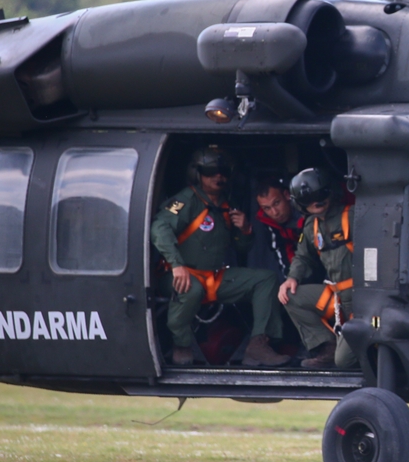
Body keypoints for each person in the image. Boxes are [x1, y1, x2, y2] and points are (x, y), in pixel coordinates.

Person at [151, 148, 289, 367]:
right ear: (198, 174)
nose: (219, 176)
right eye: (211, 171)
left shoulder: (227, 205)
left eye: (223, 171)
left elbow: (241, 248)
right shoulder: (186, 200)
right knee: (191, 288)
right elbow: (159, 228)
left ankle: (259, 346)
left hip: (213, 278)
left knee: (266, 279)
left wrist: (245, 230)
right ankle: (181, 344)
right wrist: (177, 265)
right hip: (178, 274)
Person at [278, 168, 357, 370]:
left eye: (320, 195)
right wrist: (292, 277)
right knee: (291, 296)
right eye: (310, 199)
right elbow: (302, 256)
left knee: (344, 361)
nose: (317, 202)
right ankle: (326, 348)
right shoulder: (311, 226)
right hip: (337, 298)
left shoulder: (352, 216)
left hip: (361, 300)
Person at [248, 175, 304, 278]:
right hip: (303, 262)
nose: (274, 212)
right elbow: (284, 252)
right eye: (266, 208)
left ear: (287, 195)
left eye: (277, 203)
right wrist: (292, 279)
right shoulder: (268, 221)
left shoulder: (306, 207)